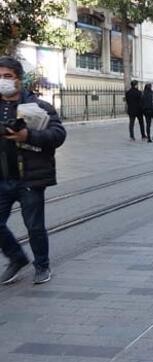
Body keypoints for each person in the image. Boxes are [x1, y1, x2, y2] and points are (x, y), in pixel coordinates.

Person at [0, 56, 66, 285]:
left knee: (34, 226)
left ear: (19, 79)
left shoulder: (39, 107)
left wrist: (28, 135)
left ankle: (42, 266)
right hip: (3, 177)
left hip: (30, 177)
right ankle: (17, 258)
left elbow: (58, 135)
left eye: (7, 76)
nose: (3, 81)